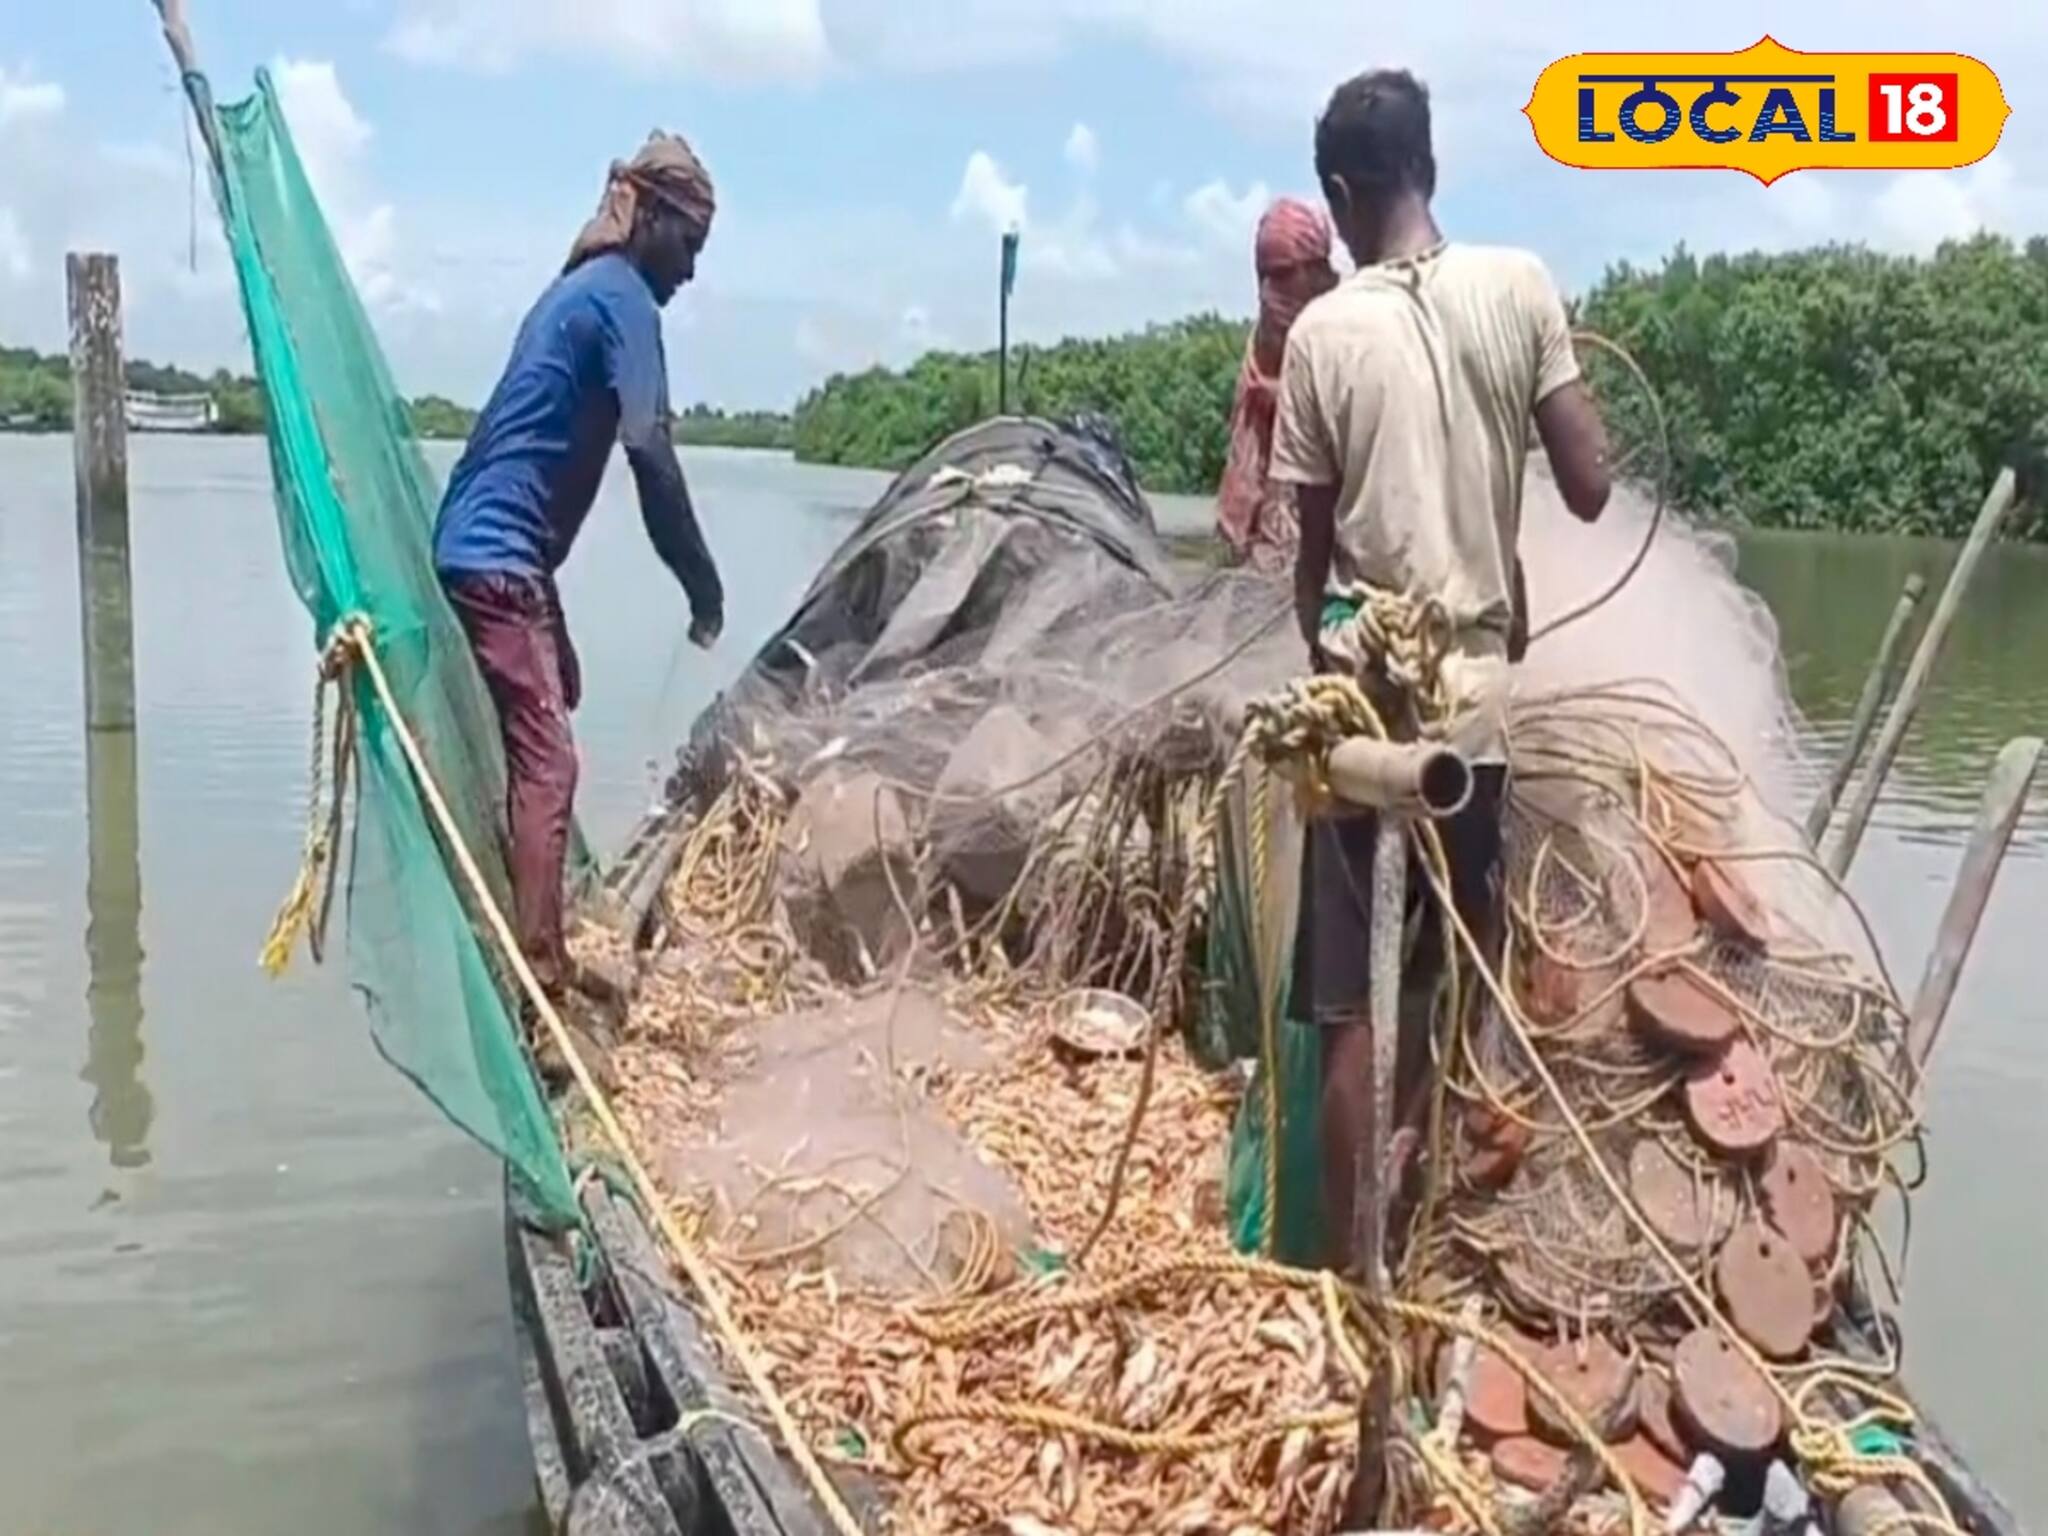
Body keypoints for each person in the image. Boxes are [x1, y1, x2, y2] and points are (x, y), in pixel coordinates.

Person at [1269, 69, 1611, 1280]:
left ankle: (1345, 1282)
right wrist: (1540, 389)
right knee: (1453, 977)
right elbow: (1588, 485)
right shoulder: (1519, 289)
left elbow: (1305, 569)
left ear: (1342, 194)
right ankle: (1417, 1240)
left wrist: (1318, 674)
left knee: (1348, 1011)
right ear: (1430, 169)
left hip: (1365, 718)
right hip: (1473, 712)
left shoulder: (1321, 332)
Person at [434, 131, 726, 1006]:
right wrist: (703, 588)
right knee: (552, 767)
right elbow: (653, 459)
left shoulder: (583, 292)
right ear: (652, 222)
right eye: (691, 244)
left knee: (561, 687)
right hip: (497, 558)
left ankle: (537, 920)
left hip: (494, 550)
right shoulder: (624, 302)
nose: (692, 271)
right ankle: (541, 983)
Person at [1215, 199, 1339, 570]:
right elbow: (1246, 455)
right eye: (1263, 275)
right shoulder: (1262, 343)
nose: (1270, 291)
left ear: (1315, 270)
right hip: (1265, 544)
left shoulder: (1344, 328)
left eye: (1283, 274)